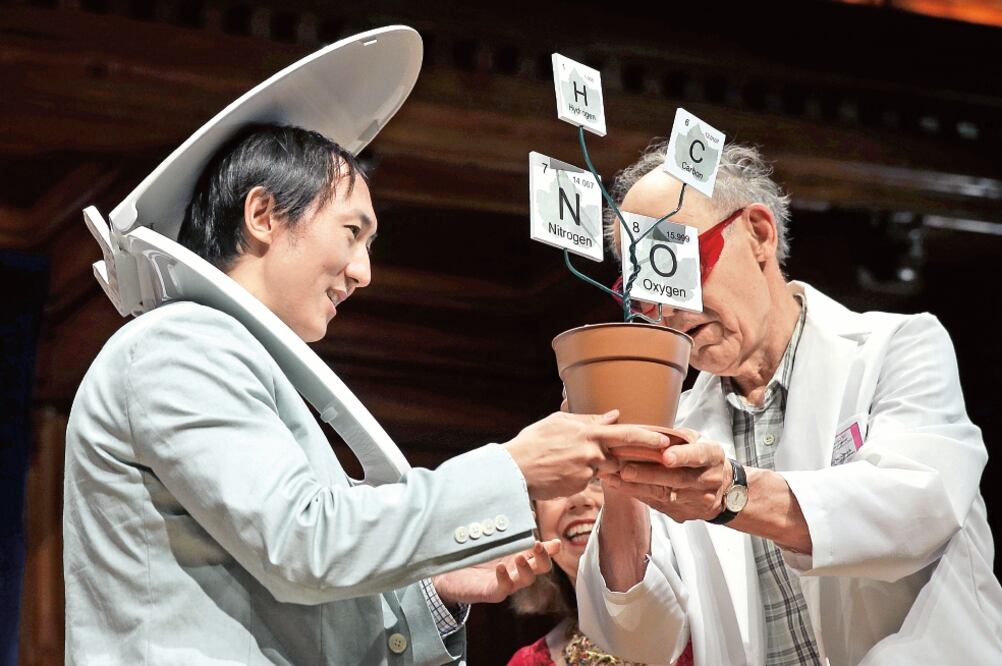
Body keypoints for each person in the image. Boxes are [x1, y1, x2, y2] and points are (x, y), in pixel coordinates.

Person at [62, 125, 669, 664]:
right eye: (352, 232)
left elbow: (292, 580)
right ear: (263, 214)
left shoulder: (229, 360)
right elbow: (304, 543)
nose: (363, 271)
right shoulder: (183, 343)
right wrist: (512, 469)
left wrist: (431, 585)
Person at [574, 140, 1002, 665]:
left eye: (678, 264)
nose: (668, 307)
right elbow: (638, 635)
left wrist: (731, 494)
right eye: (644, 291)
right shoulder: (677, 425)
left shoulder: (899, 346)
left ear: (758, 233)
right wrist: (621, 479)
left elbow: (919, 506)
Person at [508, 479, 694, 666]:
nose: (579, 500)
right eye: (556, 485)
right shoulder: (529, 662)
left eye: (598, 478)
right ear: (535, 521)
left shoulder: (710, 615)